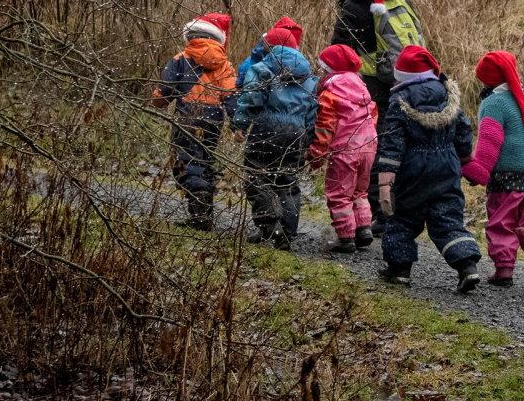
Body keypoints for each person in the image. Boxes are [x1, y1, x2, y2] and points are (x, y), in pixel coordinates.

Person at [373, 45, 481, 291]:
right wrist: (465, 158)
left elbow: (391, 143)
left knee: (402, 219)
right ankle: (467, 267)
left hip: (412, 171)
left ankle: (400, 270)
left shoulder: (400, 100)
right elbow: (464, 131)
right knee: (448, 217)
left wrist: (385, 182)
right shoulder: (447, 95)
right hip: (447, 167)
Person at [462, 50, 524, 287]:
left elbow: (490, 141)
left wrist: (478, 170)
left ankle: (504, 270)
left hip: (507, 174)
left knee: (502, 221)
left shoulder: (494, 103)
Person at [232, 17, 318, 250]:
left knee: (256, 176)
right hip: (296, 133)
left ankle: (269, 225)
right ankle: (287, 234)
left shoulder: (262, 69)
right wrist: (308, 141)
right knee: (287, 181)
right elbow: (312, 113)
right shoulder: (309, 77)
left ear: (268, 47)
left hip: (266, 129)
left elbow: (251, 98)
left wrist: (239, 124)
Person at [151, 13, 237, 230]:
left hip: (186, 115)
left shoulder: (181, 59)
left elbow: (164, 93)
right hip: (213, 119)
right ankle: (204, 212)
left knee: (185, 162)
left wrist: (158, 98)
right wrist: (237, 123)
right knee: (205, 160)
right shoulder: (224, 66)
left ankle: (199, 214)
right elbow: (232, 96)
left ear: (191, 35)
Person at [309, 44, 378, 253]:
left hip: (344, 148)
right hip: (368, 146)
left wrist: (317, 153)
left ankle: (345, 236)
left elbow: (325, 125)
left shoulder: (331, 91)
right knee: (360, 191)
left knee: (339, 192)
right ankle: (364, 228)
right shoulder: (362, 86)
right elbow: (374, 115)